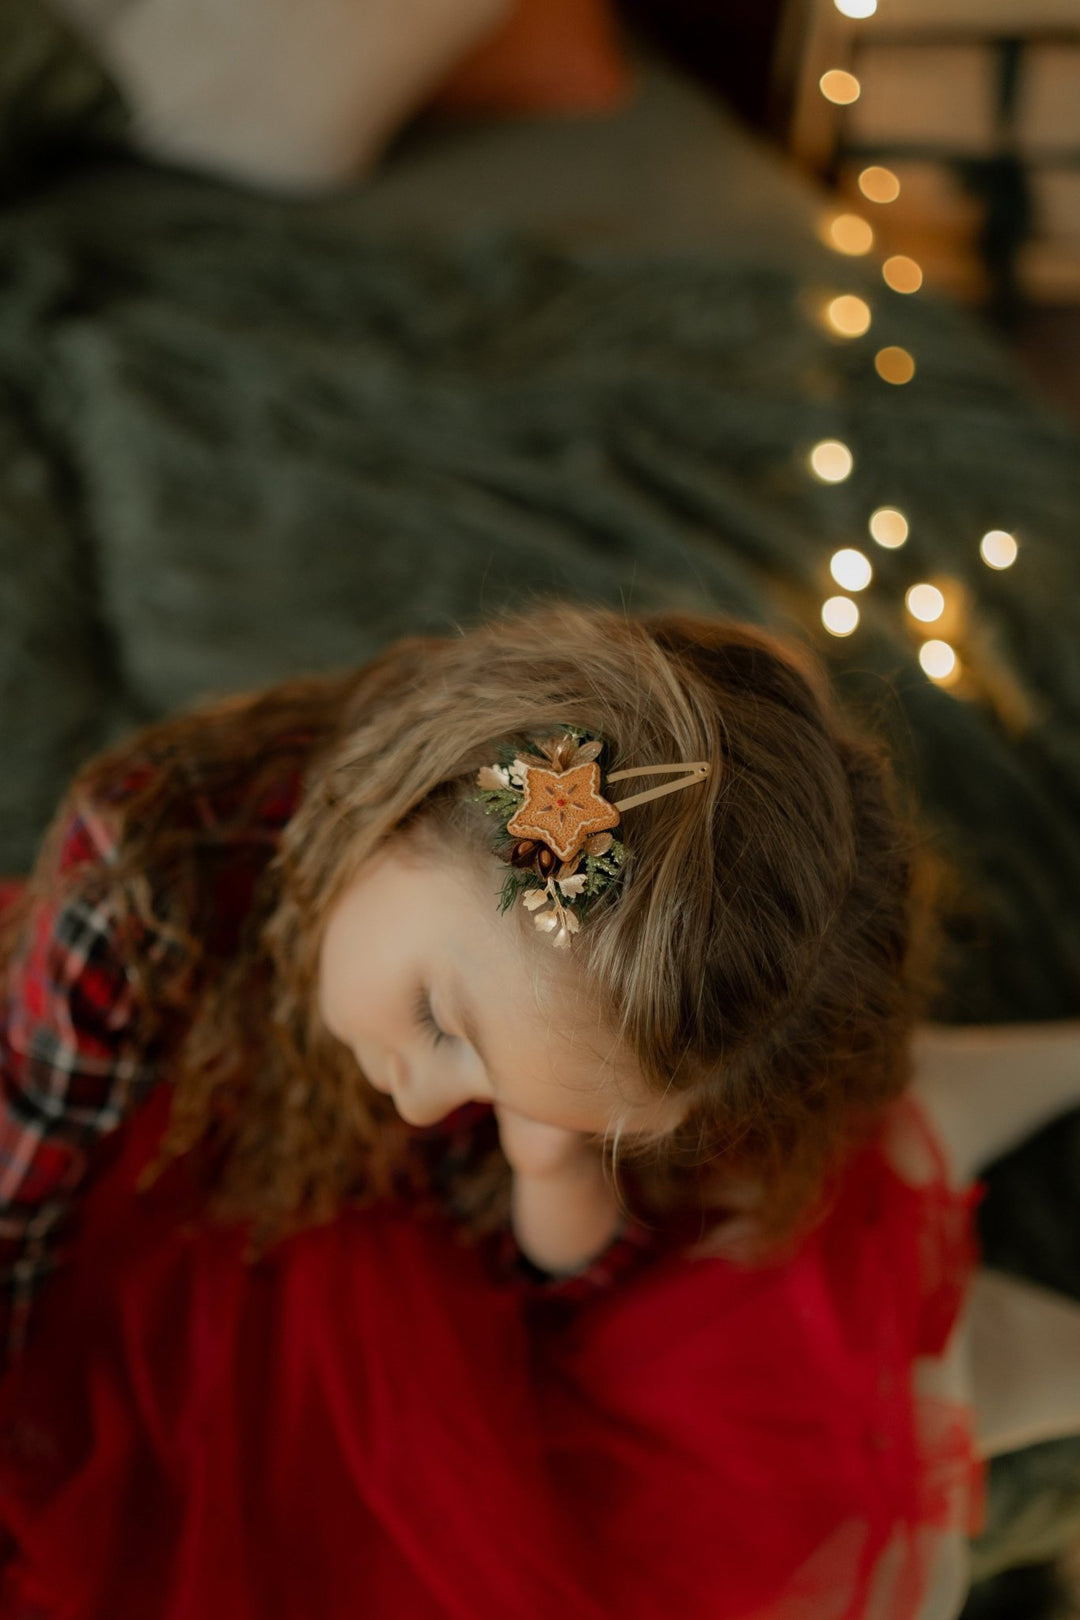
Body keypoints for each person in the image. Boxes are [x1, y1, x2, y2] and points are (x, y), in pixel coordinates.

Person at [0, 600, 1079, 1620]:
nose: (422, 1103)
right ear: (405, 811)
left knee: (743, 1307)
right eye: (436, 1019)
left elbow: (541, 1274)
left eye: (499, 1085)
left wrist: (552, 1162)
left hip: (429, 1261)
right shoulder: (138, 895)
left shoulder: (564, 1039)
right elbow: (22, 1204)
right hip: (167, 1217)